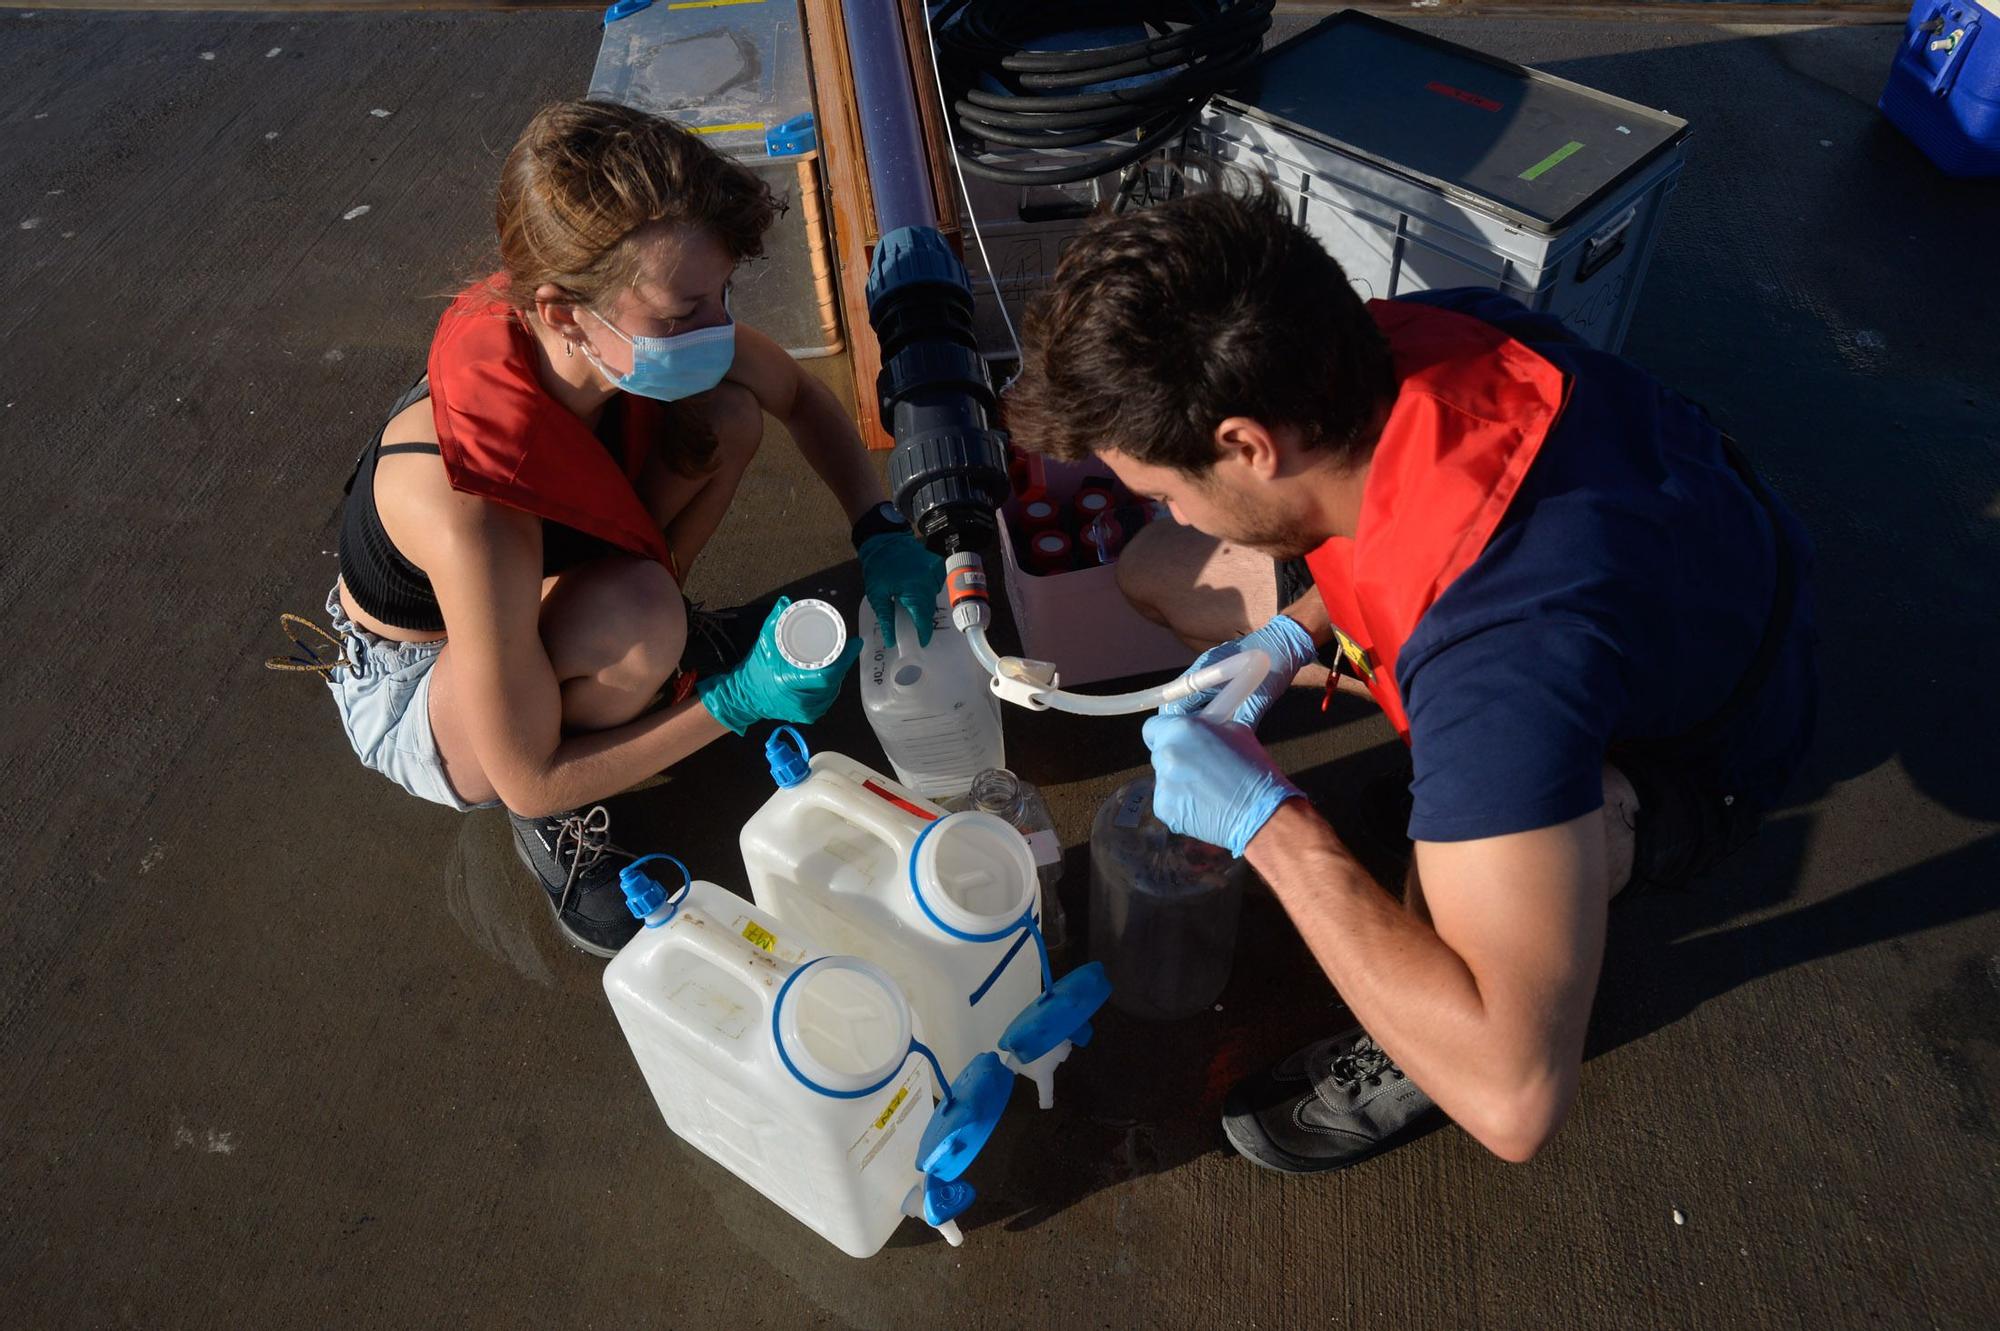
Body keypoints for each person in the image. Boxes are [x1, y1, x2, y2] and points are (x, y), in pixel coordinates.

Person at [1003, 187, 1817, 1172]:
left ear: (1246, 444)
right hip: (1669, 554)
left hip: (1692, 742)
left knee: (1463, 893)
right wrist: (1292, 636)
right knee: (1162, 572)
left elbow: (1516, 1100)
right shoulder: (1396, 341)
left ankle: (1417, 1038)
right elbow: (1400, 521)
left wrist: (1270, 821)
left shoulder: (1500, 658)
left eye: (1165, 489)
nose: (1173, 510)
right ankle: (1471, 817)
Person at [313, 100, 941, 957]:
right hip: (418, 686)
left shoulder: (612, 319)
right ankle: (577, 815)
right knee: (639, 622)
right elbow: (527, 779)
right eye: (685, 315)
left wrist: (879, 525)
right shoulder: (473, 512)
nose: (716, 328)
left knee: (726, 419)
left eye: (722, 294)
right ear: (564, 312)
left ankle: (640, 664)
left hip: (525, 591)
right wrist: (737, 702)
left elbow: (796, 398)